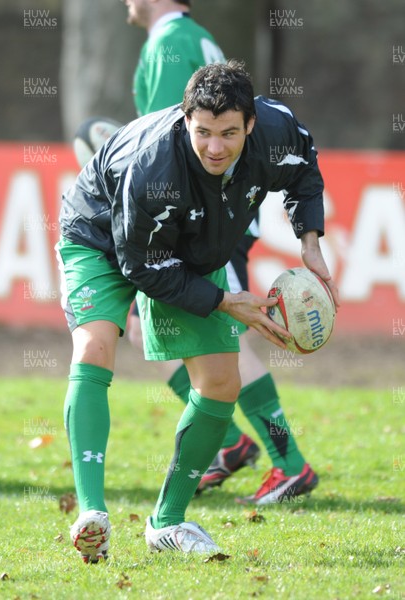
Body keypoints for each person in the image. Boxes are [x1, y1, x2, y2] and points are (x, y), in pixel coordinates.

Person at [57, 60, 339, 561]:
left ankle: (166, 523)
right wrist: (226, 302)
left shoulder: (277, 131)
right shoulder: (152, 166)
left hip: (187, 249)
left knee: (221, 383)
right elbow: (140, 267)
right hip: (99, 234)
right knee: (97, 344)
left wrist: (310, 242)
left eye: (228, 133)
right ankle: (91, 512)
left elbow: (305, 170)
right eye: (202, 132)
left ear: (251, 125)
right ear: (185, 120)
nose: (214, 146)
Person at [116, 0, 321, 499]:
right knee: (146, 326)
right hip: (198, 216)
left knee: (227, 336)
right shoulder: (188, 38)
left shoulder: (170, 44)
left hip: (206, 221)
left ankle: (288, 460)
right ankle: (228, 442)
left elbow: (173, 138)